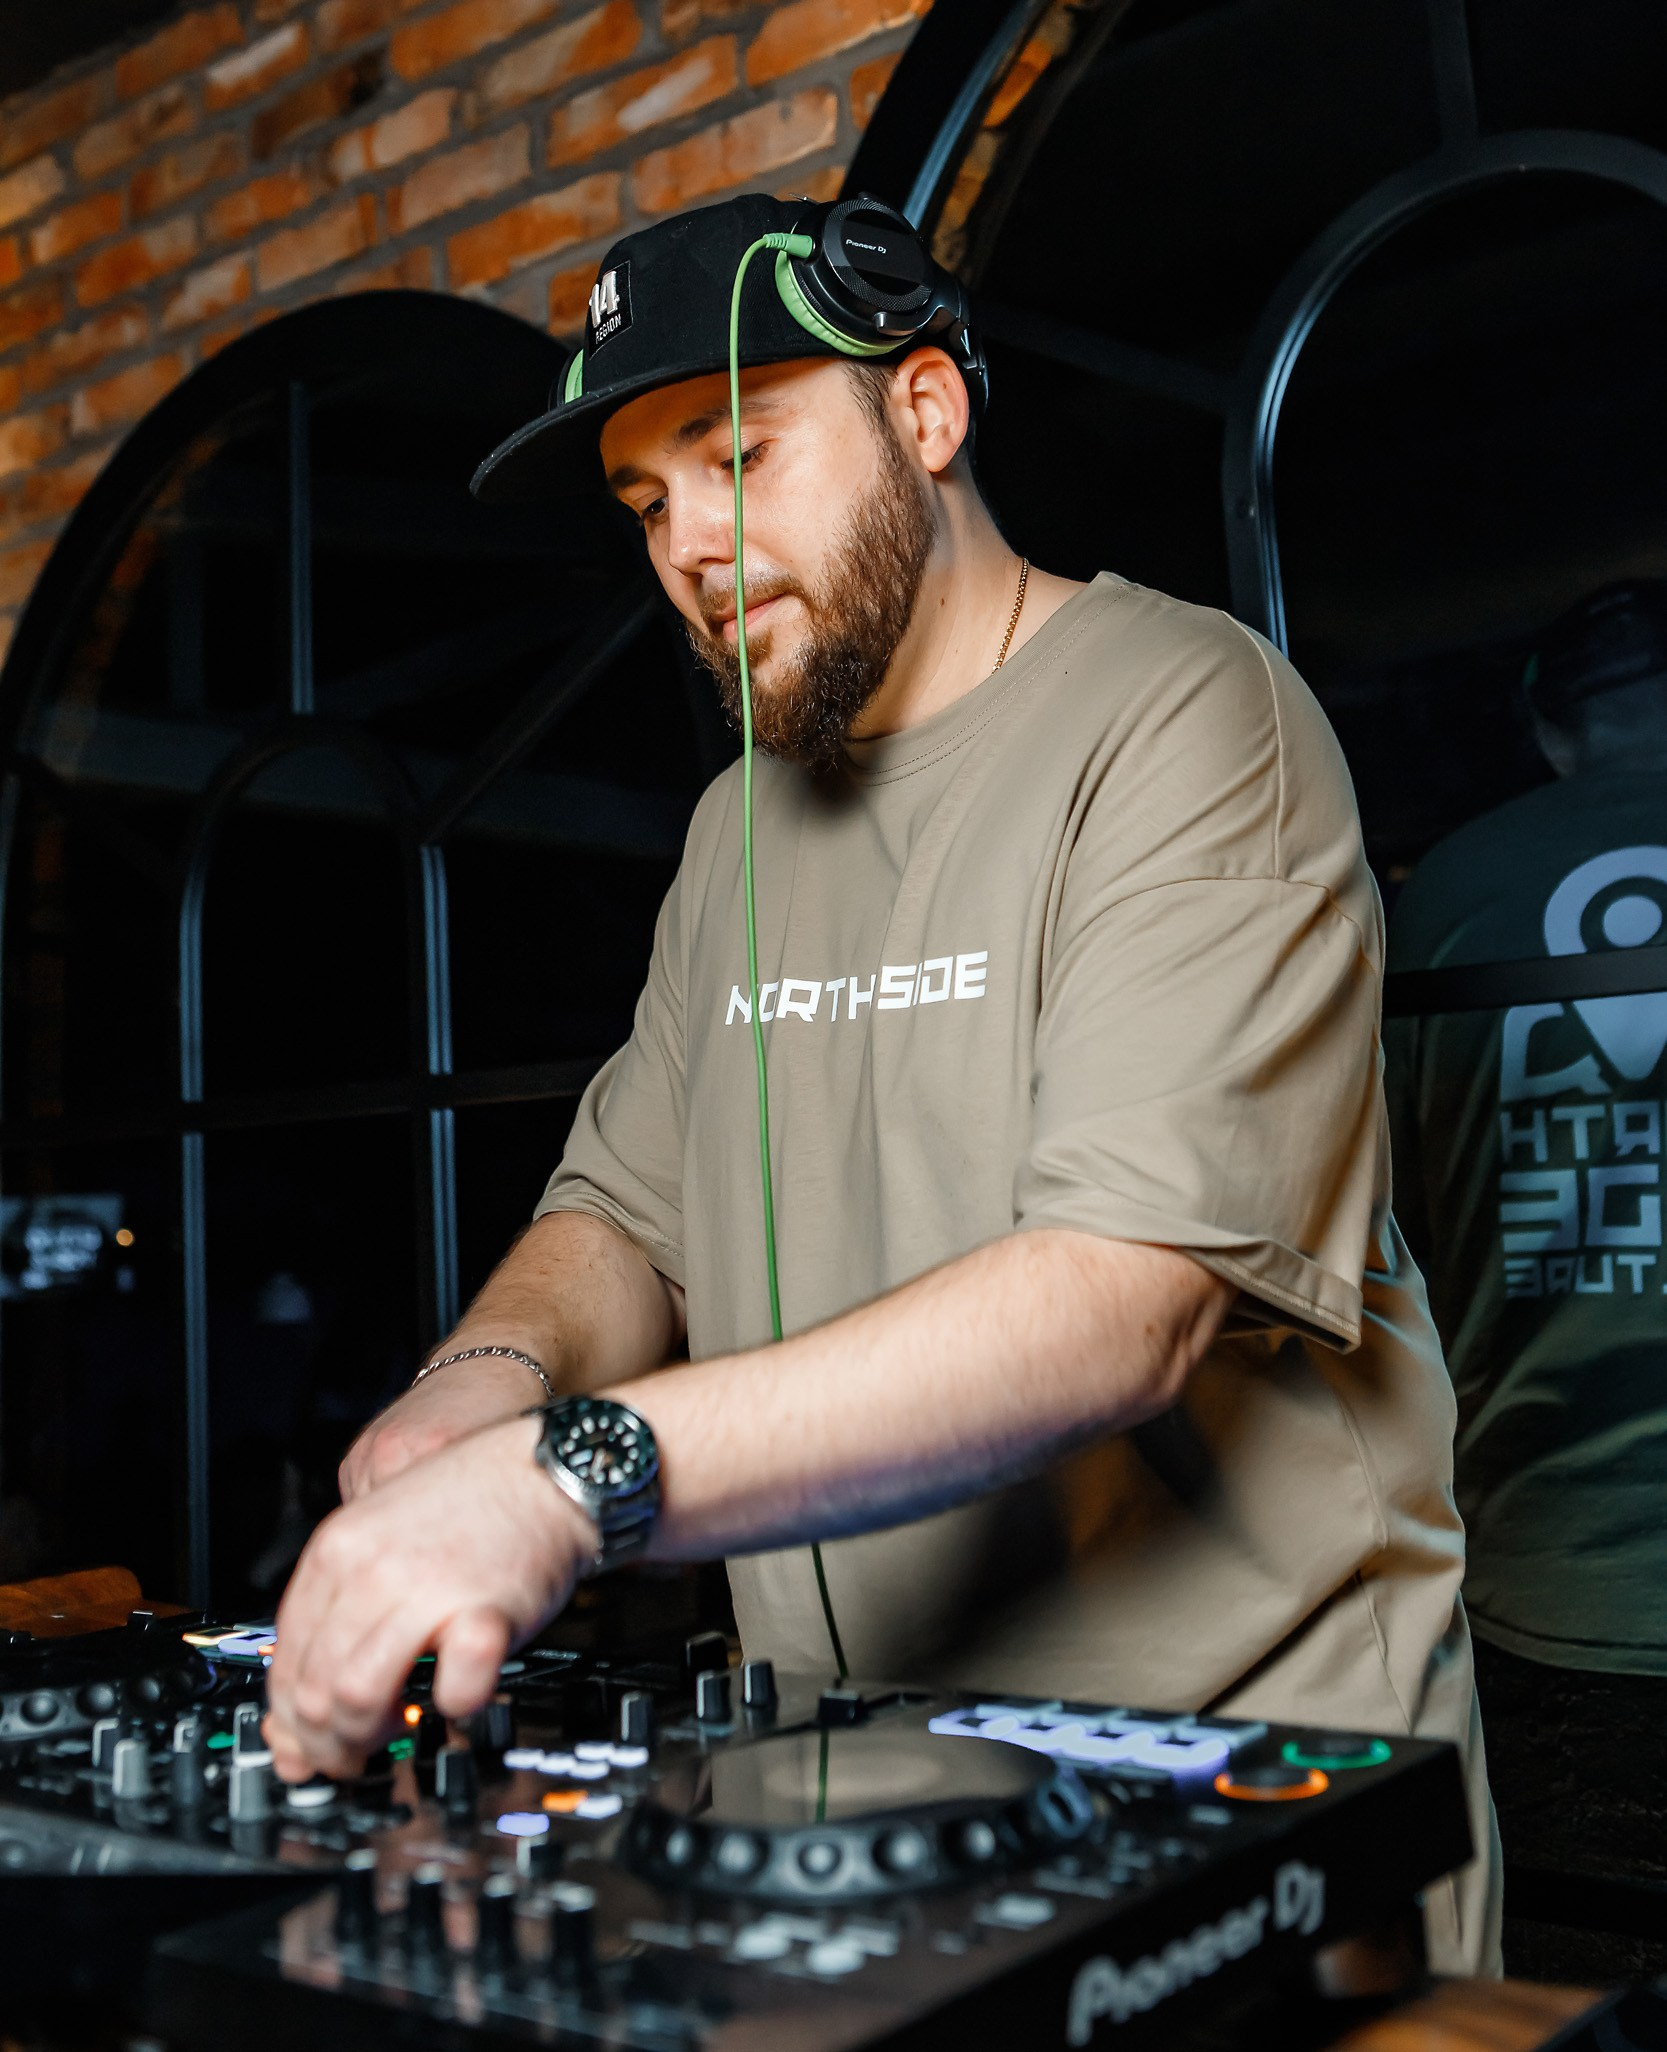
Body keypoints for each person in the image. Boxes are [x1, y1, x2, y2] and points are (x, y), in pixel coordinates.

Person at [264, 193, 1498, 1974]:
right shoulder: (737, 830)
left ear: (925, 412)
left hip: (1240, 1800)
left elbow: (1123, 1299)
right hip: (843, 1809)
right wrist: (477, 1393)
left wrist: (568, 1476)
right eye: (645, 501)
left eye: (740, 456)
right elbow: (628, 1216)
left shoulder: (1190, 717)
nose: (692, 544)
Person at [1386, 581, 1667, 1964]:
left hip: (1559, 1581)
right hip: (1565, 1585)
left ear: (1553, 733)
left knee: (1580, 1983)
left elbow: (1389, 1223)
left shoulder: (1444, 892)